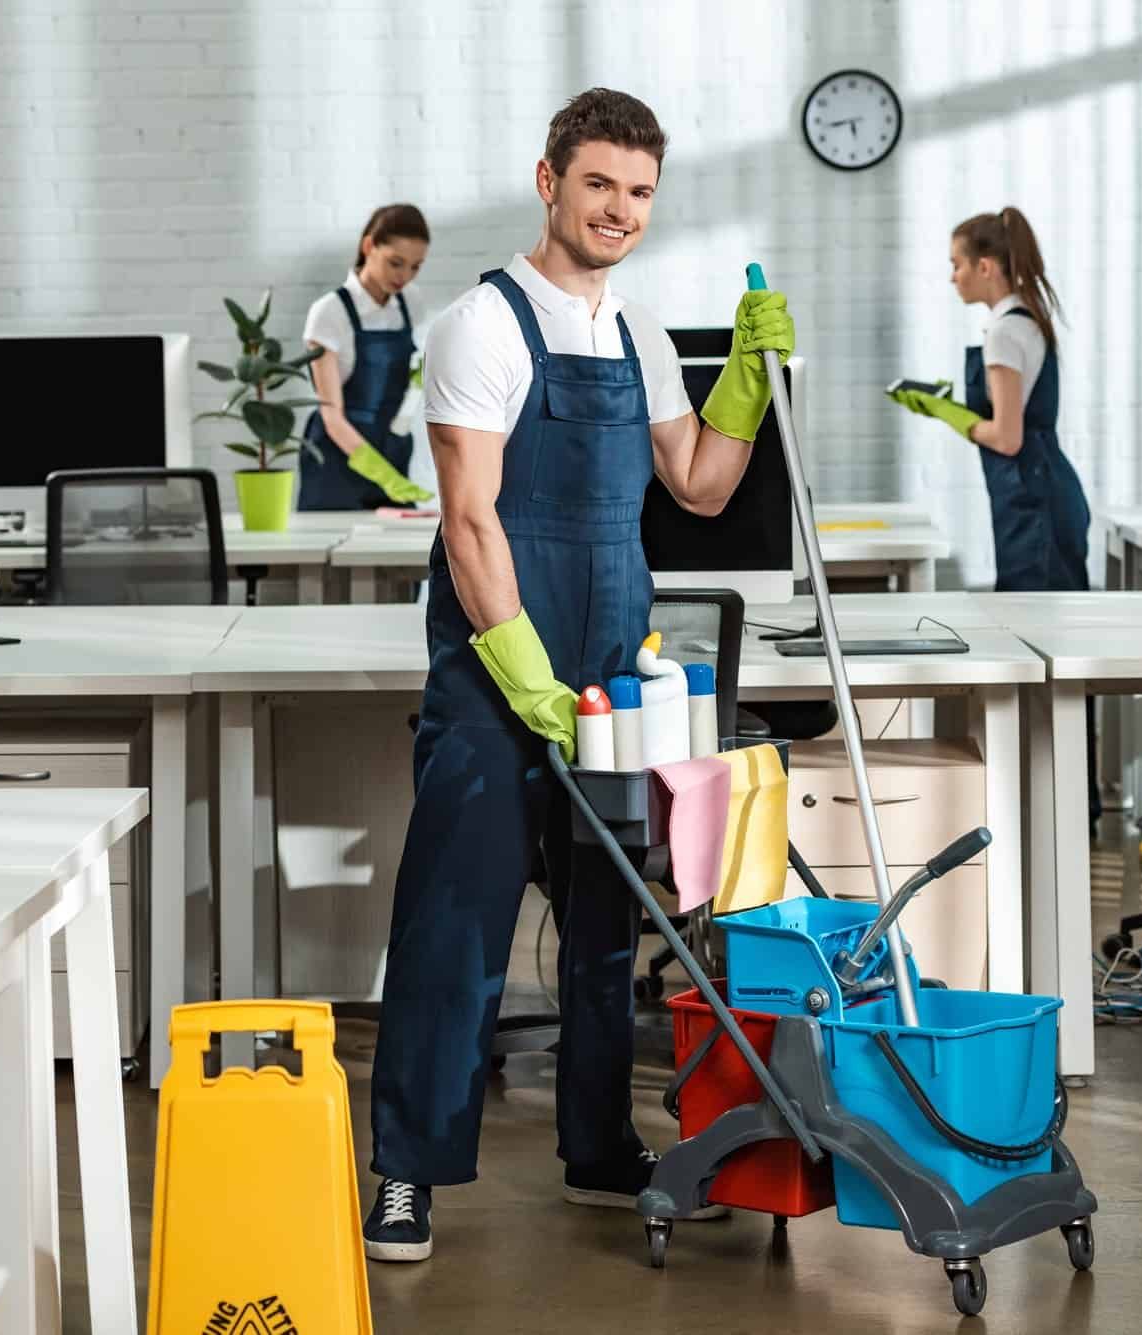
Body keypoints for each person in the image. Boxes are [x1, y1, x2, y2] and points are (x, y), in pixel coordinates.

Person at [362, 87, 794, 1263]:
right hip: (501, 669)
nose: (618, 210)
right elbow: (468, 522)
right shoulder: (479, 326)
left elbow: (698, 484)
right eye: (598, 184)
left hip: (613, 665)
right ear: (549, 182)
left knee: (610, 922)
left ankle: (599, 1146)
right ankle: (406, 1174)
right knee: (458, 918)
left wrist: (744, 382)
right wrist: (524, 678)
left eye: (639, 192)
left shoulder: (640, 336)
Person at [892, 207, 1090, 592]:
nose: (952, 277)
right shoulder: (1027, 319)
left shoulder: (1003, 333)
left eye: (957, 264)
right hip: (1045, 490)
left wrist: (948, 413)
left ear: (985, 267)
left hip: (1033, 503)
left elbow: (1007, 437)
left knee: (1032, 621)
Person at [301, 204, 436, 509]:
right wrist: (384, 477)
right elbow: (332, 416)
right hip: (337, 459)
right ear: (368, 246)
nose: (405, 276)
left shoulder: (410, 303)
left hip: (391, 449)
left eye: (416, 266)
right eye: (395, 263)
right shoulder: (329, 312)